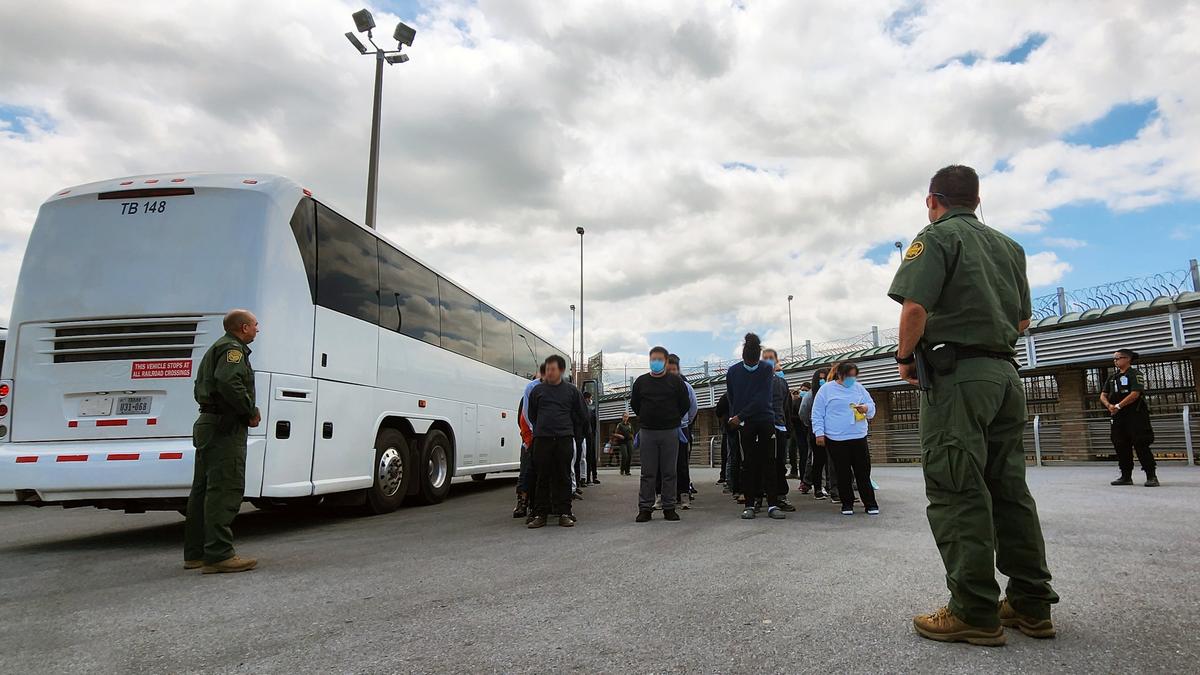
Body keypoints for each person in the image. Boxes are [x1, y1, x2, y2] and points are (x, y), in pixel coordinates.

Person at [890, 164, 1058, 646]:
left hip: (958, 378)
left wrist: (906, 358)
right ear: (977, 201)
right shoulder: (1009, 247)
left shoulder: (936, 237)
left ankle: (973, 611)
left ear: (932, 200)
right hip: (1005, 374)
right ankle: (1031, 604)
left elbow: (915, 307)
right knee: (1009, 489)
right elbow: (1022, 321)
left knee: (957, 486)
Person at [184, 309, 261, 574]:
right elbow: (229, 381)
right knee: (224, 488)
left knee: (202, 490)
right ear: (243, 328)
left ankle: (196, 553)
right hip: (224, 426)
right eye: (255, 325)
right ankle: (219, 554)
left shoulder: (216, 348)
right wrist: (249, 410)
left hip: (208, 423)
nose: (257, 329)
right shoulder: (232, 349)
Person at [726, 333, 785, 520]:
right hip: (745, 424)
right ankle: (750, 504)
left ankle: (773, 504)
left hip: (765, 419)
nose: (751, 366)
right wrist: (735, 417)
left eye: (754, 363)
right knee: (748, 463)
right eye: (748, 363)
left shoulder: (766, 369)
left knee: (769, 461)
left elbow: (762, 398)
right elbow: (732, 396)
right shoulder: (733, 371)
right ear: (743, 357)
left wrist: (739, 416)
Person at [527, 355, 588, 528]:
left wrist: (571, 430)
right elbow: (532, 415)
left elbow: (582, 414)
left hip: (564, 439)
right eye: (547, 369)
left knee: (563, 476)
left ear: (561, 370)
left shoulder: (571, 391)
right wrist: (543, 428)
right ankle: (540, 514)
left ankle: (565, 513)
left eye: (553, 369)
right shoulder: (537, 391)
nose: (549, 372)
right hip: (542, 439)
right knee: (542, 477)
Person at [631, 346, 691, 522]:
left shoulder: (676, 382)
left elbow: (685, 404)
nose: (655, 362)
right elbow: (635, 404)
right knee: (647, 473)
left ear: (665, 361)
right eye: (653, 359)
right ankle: (645, 508)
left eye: (659, 359)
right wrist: (647, 417)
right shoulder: (641, 382)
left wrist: (672, 418)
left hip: (670, 431)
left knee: (669, 472)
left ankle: (669, 507)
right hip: (648, 432)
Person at [810, 361, 878, 516]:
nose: (851, 379)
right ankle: (847, 503)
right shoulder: (826, 389)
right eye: (849, 376)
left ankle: (870, 503)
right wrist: (819, 433)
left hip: (858, 435)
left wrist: (866, 408)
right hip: (836, 438)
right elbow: (817, 413)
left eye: (854, 376)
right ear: (839, 375)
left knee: (863, 471)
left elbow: (871, 406)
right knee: (842, 472)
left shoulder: (859, 388)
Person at [1101, 349, 1159, 487]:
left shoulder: (1135, 374)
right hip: (1118, 416)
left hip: (1135, 415)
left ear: (1127, 359)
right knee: (1120, 445)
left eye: (1118, 358)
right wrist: (1109, 405)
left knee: (1141, 443)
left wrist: (1119, 406)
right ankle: (1126, 476)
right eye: (1114, 359)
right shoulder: (1112, 377)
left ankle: (1151, 476)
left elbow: (1135, 393)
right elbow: (1103, 394)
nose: (1115, 361)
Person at [762, 349, 795, 512]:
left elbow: (786, 406)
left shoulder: (782, 382)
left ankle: (780, 496)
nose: (768, 360)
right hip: (762, 426)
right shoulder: (757, 381)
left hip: (779, 426)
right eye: (765, 358)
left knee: (780, 464)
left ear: (776, 361)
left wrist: (787, 427)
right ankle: (759, 496)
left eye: (771, 358)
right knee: (762, 463)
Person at [666, 354, 699, 509]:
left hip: (682, 428)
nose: (672, 372)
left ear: (678, 370)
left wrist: (686, 422)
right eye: (669, 369)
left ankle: (684, 493)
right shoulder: (660, 386)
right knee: (666, 464)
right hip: (665, 429)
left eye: (674, 369)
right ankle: (667, 495)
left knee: (682, 463)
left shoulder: (686, 387)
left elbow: (693, 408)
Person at [513, 363, 546, 520]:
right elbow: (522, 419)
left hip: (543, 440)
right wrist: (529, 438)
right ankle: (522, 502)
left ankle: (537, 504)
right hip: (529, 440)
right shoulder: (527, 395)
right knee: (526, 473)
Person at [798, 368, 830, 500]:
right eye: (820, 378)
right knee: (818, 461)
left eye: (824, 378)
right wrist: (810, 424)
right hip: (816, 430)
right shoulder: (810, 395)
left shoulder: (831, 392)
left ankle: (830, 486)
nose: (822, 381)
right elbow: (803, 413)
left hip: (832, 430)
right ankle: (818, 487)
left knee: (832, 461)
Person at [584, 391, 600, 484]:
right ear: (587, 399)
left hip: (588, 436)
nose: (591, 400)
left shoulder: (588, 409)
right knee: (590, 456)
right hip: (589, 436)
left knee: (589, 457)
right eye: (590, 398)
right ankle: (592, 477)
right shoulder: (589, 410)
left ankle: (590, 477)